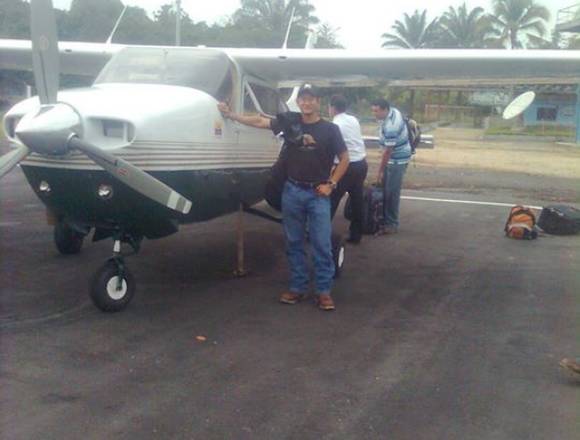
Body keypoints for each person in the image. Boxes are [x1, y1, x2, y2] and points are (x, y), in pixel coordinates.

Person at [217, 85, 349, 311]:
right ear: (298, 102)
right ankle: (298, 287)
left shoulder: (330, 130)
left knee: (321, 243)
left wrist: (331, 184)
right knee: (294, 242)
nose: (306, 103)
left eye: (311, 99)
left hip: (318, 194)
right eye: (303, 100)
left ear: (318, 102)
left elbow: (344, 158)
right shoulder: (290, 122)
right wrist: (231, 115)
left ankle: (323, 291)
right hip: (293, 191)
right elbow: (260, 122)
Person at [328, 94, 368, 244]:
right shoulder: (353, 119)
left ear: (332, 108)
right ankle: (356, 235)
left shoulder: (335, 125)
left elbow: (332, 149)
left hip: (346, 167)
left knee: (331, 200)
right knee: (357, 199)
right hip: (361, 164)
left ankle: (320, 233)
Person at [370, 99, 412, 235]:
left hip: (396, 160)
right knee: (387, 190)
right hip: (395, 157)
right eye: (373, 110)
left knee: (392, 192)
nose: (374, 114)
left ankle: (392, 223)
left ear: (384, 109)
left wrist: (380, 171)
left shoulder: (391, 126)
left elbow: (388, 151)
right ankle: (386, 219)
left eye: (376, 111)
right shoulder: (393, 112)